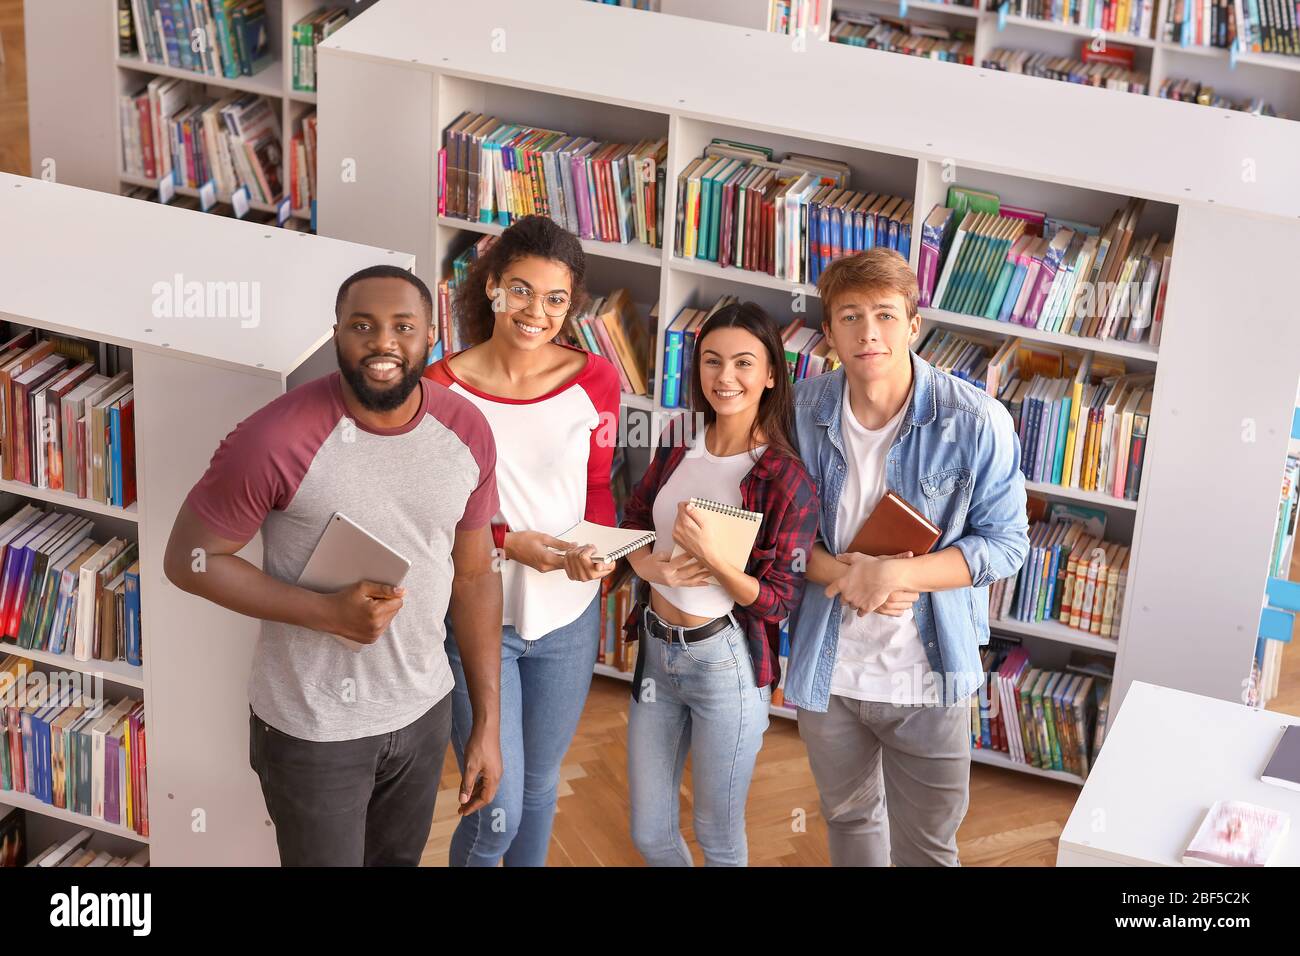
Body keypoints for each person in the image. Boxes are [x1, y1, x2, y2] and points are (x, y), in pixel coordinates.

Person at [164, 265, 504, 867]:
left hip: (424, 713)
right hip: (313, 730)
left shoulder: (467, 430)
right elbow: (190, 560)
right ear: (337, 336)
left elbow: (475, 576)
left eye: (403, 326)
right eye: (362, 326)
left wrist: (486, 723)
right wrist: (325, 613)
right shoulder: (274, 438)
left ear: (432, 335)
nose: (383, 343)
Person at [787, 248, 1030, 867]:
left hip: (929, 675)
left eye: (886, 315)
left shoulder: (976, 421)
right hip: (829, 672)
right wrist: (851, 576)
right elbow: (777, 538)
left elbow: (1006, 545)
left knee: (926, 849)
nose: (869, 332)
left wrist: (898, 574)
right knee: (849, 825)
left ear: (914, 325)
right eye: (850, 317)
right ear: (829, 332)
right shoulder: (799, 411)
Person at [425, 215, 621, 867]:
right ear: (491, 288)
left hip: (567, 618)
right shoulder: (439, 388)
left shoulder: (596, 380)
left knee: (538, 790)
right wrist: (512, 543)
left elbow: (597, 488)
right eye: (522, 290)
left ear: (573, 304)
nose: (537, 312)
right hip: (480, 622)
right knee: (496, 813)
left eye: (556, 298)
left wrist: (601, 557)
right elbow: (435, 515)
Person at [620, 302, 820, 866]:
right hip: (657, 652)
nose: (724, 378)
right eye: (711, 362)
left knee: (718, 836)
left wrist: (716, 559)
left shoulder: (785, 478)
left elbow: (780, 599)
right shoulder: (681, 436)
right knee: (650, 833)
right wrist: (648, 567)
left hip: (724, 664)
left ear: (771, 374)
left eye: (742, 363)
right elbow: (634, 521)